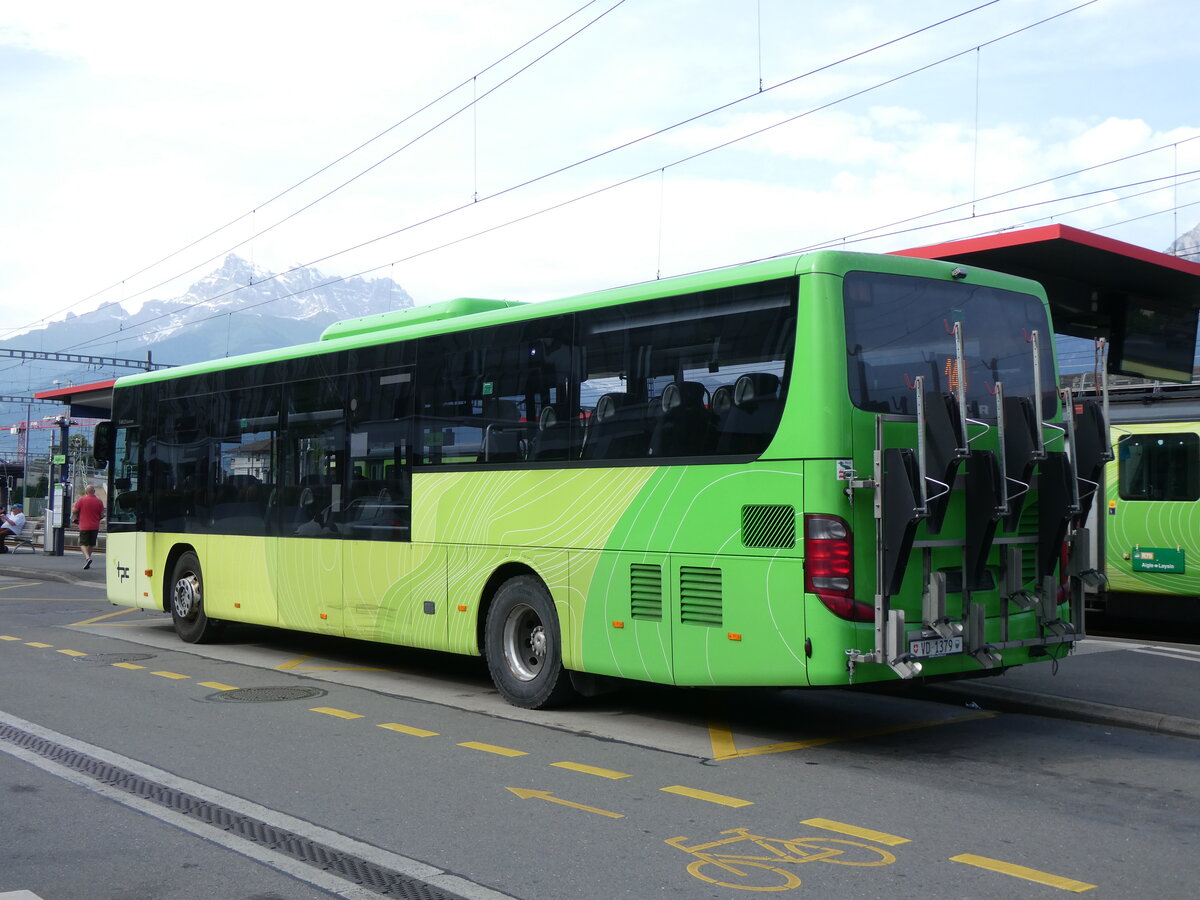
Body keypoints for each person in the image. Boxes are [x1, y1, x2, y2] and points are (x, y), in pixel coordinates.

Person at [71, 486, 105, 569]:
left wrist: (75, 508)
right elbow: (102, 515)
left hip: (84, 526)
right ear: (94, 491)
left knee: (82, 543)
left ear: (86, 492)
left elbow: (74, 511)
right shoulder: (99, 501)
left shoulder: (81, 500)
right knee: (91, 544)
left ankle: (87, 558)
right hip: (95, 526)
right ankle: (88, 560)